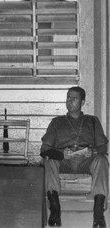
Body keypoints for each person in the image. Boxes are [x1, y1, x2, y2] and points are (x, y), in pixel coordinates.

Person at [40, 86, 108, 228]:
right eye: (68, 97)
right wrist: (60, 153)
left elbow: (103, 147)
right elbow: (44, 149)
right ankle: (54, 209)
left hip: (86, 161)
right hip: (64, 160)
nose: (70, 101)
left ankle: (98, 214)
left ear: (82, 102)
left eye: (74, 98)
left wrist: (93, 152)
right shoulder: (56, 122)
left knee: (101, 160)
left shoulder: (93, 121)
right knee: (50, 160)